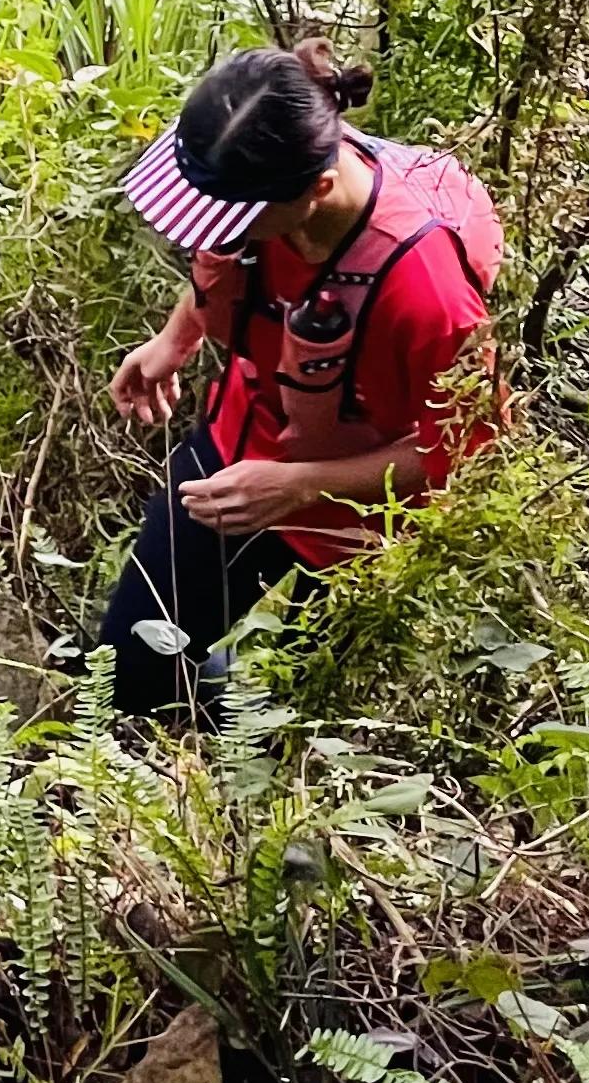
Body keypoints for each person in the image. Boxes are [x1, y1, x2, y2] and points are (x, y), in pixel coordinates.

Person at [99, 37, 503, 715]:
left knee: (296, 723)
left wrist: (298, 486)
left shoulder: (429, 293)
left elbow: (461, 457)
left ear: (316, 190)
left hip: (362, 526)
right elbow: (226, 260)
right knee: (130, 672)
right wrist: (177, 338)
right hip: (240, 450)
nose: (214, 231)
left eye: (233, 219)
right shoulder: (251, 182)